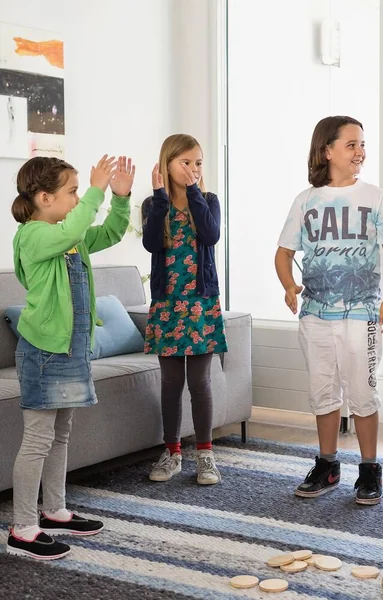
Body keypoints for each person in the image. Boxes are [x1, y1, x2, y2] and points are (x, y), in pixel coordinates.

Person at [7, 154, 135, 559]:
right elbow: (76, 226)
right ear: (44, 198)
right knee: (38, 439)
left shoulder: (70, 237)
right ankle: (23, 528)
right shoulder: (33, 235)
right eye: (73, 191)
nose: (79, 198)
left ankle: (55, 510)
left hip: (71, 352)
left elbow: (110, 232)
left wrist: (120, 198)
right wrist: (96, 191)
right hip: (43, 353)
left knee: (61, 434)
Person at [275, 116, 383, 506]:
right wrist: (289, 285)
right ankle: (327, 465)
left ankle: (369, 469)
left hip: (362, 315)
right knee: (323, 392)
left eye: (362, 144)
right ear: (327, 150)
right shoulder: (306, 201)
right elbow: (283, 254)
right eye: (351, 144)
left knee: (363, 393)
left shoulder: (375, 197)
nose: (360, 151)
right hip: (315, 316)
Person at [142, 134, 227, 486]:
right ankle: (172, 452)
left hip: (201, 304)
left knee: (200, 382)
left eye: (198, 163)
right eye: (186, 162)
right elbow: (151, 242)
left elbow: (211, 235)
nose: (194, 168)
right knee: (171, 384)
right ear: (168, 164)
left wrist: (193, 192)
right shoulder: (153, 204)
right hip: (167, 305)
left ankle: (205, 455)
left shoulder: (208, 200)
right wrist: (161, 198)